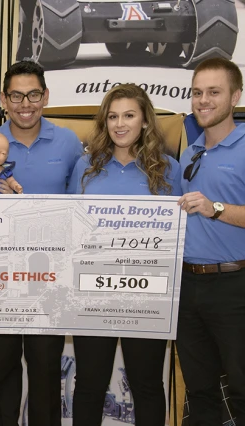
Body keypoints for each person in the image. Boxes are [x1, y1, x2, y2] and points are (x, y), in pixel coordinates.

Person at [0, 60, 83, 426]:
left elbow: (81, 208)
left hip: (49, 281)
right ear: (4, 99)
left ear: (46, 96)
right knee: (2, 368)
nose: (25, 103)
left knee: (46, 370)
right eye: (16, 95)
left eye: (33, 94)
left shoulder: (68, 143)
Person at [68, 83, 182, 425]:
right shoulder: (85, 167)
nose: (120, 124)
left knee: (147, 384)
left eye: (129, 115)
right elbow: (72, 229)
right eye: (113, 116)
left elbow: (176, 234)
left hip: (146, 295)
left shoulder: (169, 170)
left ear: (145, 120)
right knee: (89, 384)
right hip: (93, 292)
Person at [177, 58, 245, 425]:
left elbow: (212, 209)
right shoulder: (190, 153)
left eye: (213, 92)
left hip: (234, 286)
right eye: (197, 93)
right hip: (189, 287)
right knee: (200, 390)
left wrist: (215, 207)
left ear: (235, 96)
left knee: (242, 389)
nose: (203, 100)